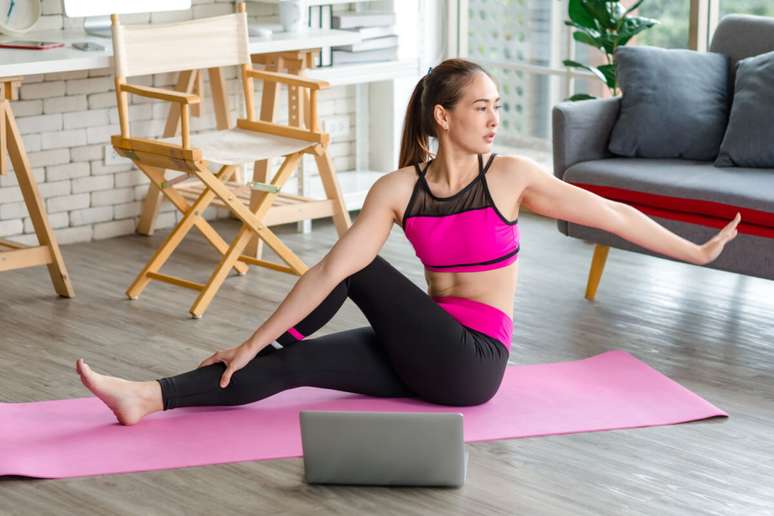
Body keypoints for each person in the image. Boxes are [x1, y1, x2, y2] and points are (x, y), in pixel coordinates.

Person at [75, 58, 741, 426]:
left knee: (357, 270)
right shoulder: (398, 188)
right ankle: (149, 397)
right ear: (443, 117)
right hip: (422, 350)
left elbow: (612, 215)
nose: (494, 118)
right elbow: (329, 273)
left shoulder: (511, 177)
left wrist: (696, 251)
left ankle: (265, 346)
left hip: (473, 363)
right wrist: (255, 346)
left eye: (498, 106)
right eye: (481, 106)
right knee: (290, 367)